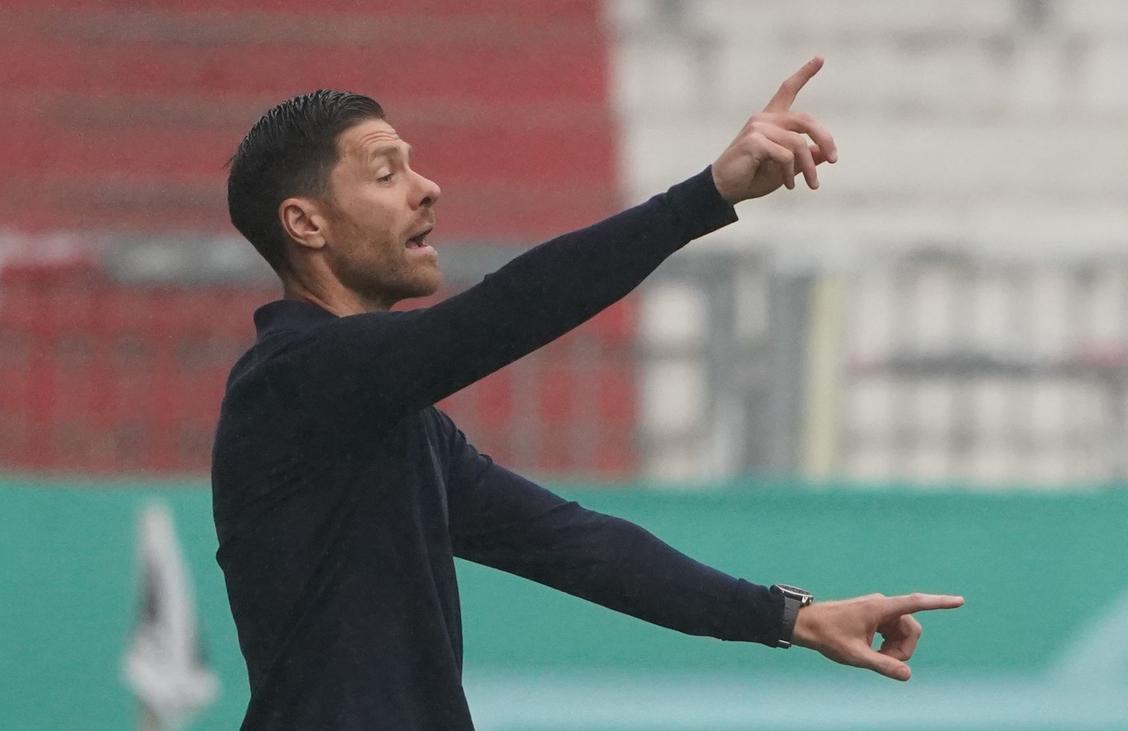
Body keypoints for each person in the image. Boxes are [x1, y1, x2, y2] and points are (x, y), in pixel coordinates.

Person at [212, 57, 964, 730]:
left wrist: (792, 617)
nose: (426, 187)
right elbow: (502, 313)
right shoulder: (291, 383)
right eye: (386, 174)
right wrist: (703, 197)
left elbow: (577, 546)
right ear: (305, 223)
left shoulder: (390, 420)